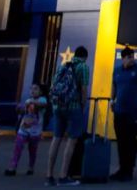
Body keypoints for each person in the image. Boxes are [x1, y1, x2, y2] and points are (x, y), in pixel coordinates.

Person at [45, 46, 90, 187]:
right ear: (85, 56)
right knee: (71, 140)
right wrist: (83, 106)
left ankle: (49, 175)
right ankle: (63, 175)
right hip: (73, 106)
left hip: (58, 106)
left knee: (56, 138)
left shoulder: (63, 66)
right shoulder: (83, 67)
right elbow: (83, 89)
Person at [109, 48, 137, 181]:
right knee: (121, 141)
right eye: (129, 57)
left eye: (133, 57)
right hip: (119, 110)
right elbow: (114, 85)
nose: (132, 59)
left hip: (134, 111)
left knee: (131, 141)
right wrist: (112, 99)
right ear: (124, 58)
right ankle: (122, 169)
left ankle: (129, 170)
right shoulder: (117, 71)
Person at [5, 83, 48, 176]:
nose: (32, 90)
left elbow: (43, 104)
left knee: (32, 150)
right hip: (23, 128)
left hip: (35, 131)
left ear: (41, 92)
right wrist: (19, 109)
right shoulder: (28, 100)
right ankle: (12, 167)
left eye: (35, 89)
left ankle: (31, 167)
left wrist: (32, 103)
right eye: (31, 88)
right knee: (18, 147)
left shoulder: (42, 99)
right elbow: (23, 112)